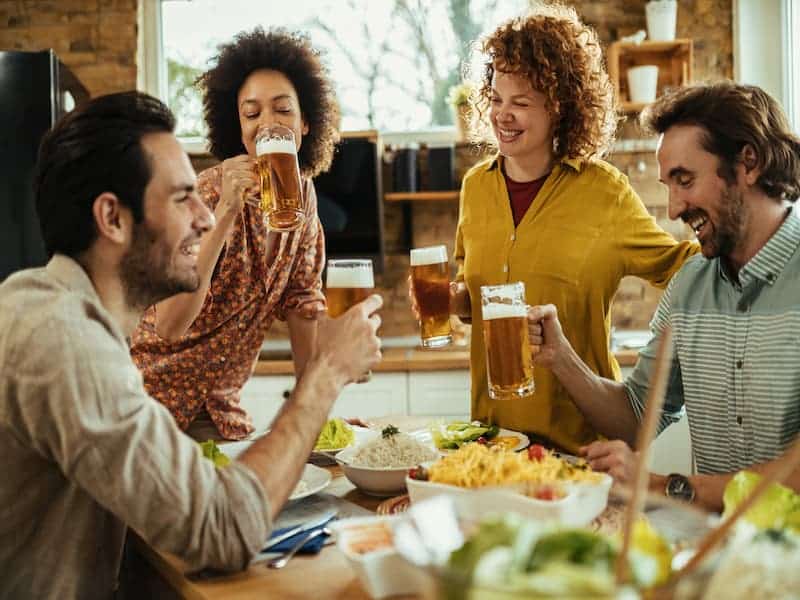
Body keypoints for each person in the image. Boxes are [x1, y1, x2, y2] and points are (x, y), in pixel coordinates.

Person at [0, 91, 381, 599]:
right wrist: (326, 373)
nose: (204, 218)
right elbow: (222, 529)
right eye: (183, 197)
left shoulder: (61, 317)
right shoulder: (62, 340)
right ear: (112, 218)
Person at [528, 81, 800, 511]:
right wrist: (560, 356)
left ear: (749, 162)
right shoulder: (690, 284)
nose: (673, 208)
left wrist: (667, 486)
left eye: (684, 180)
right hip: (710, 557)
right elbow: (637, 418)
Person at [447, 4, 697, 453]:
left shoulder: (604, 193)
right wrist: (455, 299)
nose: (503, 114)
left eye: (520, 103)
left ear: (560, 107)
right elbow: (472, 293)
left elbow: (684, 269)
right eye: (497, 98)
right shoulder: (475, 188)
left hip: (579, 448)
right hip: (491, 443)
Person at [130, 28, 340, 441]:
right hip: (145, 405)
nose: (268, 125)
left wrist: (312, 415)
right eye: (252, 113)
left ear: (305, 123)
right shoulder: (203, 194)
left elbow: (303, 309)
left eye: (282, 110)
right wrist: (226, 209)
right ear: (237, 126)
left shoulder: (304, 206)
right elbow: (170, 324)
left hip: (220, 414)